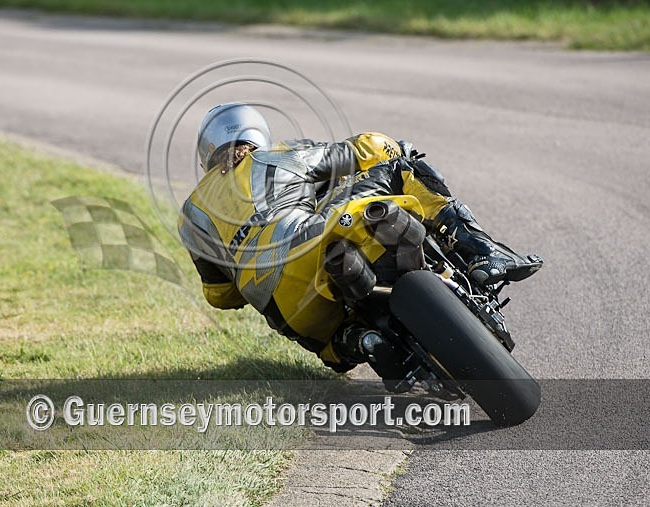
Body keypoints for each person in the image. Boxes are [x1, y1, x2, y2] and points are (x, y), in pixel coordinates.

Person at [178, 102, 542, 382]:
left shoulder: (191, 215)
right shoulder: (278, 156)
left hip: (286, 311)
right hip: (309, 240)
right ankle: (481, 252)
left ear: (206, 153)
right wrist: (396, 147)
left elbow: (220, 296)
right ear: (255, 133)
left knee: (329, 343)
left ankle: (364, 341)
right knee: (402, 172)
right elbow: (363, 149)